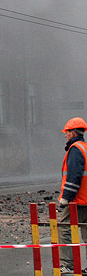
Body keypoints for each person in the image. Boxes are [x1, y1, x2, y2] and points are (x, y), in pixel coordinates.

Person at [59, 117, 87, 275]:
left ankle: (67, 265)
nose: (65, 135)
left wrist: (66, 198)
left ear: (73, 132)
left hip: (77, 200)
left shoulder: (76, 149)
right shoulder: (85, 147)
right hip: (86, 198)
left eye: (67, 132)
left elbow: (74, 176)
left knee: (64, 228)